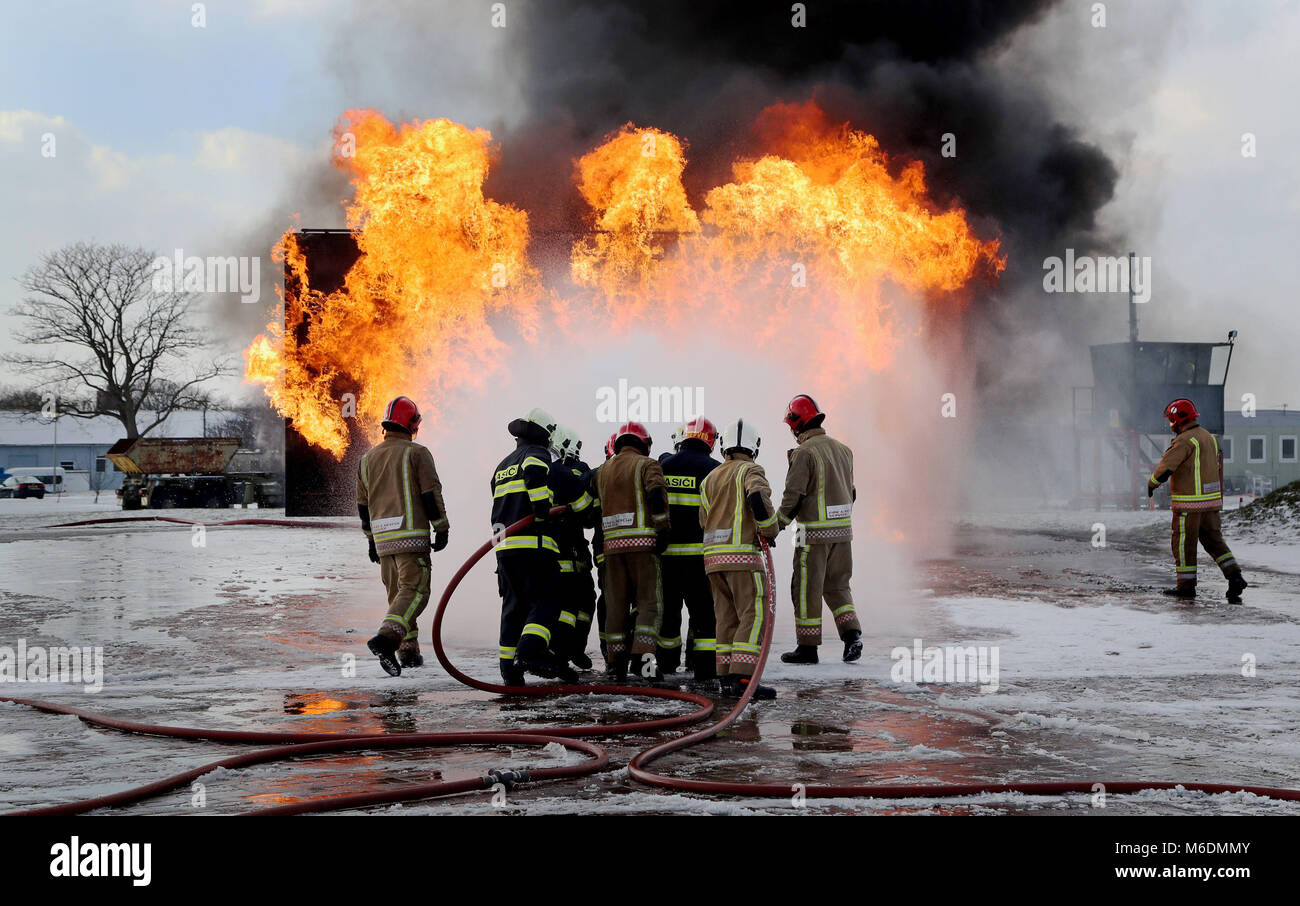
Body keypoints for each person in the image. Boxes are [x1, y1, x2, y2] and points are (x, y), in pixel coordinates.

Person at [358, 396, 450, 677]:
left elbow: (363, 505)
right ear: (411, 425)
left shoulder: (366, 459)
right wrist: (442, 526)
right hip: (411, 538)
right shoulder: (417, 453)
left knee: (398, 594)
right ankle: (386, 639)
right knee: (416, 591)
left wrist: (371, 539)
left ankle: (408, 651)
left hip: (383, 541)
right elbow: (429, 494)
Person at [490, 408, 577, 684]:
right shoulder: (536, 455)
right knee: (549, 598)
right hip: (535, 544)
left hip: (505, 548)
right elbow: (535, 473)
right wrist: (541, 511)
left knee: (513, 607)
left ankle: (509, 670)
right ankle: (531, 652)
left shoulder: (503, 464)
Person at [776, 395, 863, 665]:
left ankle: (808, 647)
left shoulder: (804, 453)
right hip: (843, 534)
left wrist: (775, 525)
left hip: (811, 535)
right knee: (838, 586)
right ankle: (852, 636)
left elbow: (794, 495)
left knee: (805, 588)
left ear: (797, 423)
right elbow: (852, 492)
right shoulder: (843, 450)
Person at [698, 418, 779, 699]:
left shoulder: (710, 478)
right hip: (743, 558)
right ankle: (744, 678)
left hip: (713, 561)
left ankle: (726, 679)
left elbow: (704, 519)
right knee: (753, 614)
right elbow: (758, 498)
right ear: (754, 447)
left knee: (725, 618)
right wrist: (770, 529)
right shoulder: (751, 470)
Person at [1148, 398, 1248, 603]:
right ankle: (1235, 576)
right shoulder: (1208, 437)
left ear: (1178, 419)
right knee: (1214, 542)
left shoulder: (1184, 440)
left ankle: (1186, 587)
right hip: (1210, 504)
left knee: (1184, 545)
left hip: (1189, 505)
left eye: (1171, 420)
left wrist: (1152, 483)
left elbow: (1167, 467)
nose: (1170, 425)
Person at [593, 421, 670, 680]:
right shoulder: (647, 465)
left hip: (612, 548)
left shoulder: (602, 470)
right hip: (643, 546)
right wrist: (662, 529)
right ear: (644, 444)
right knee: (649, 604)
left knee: (615, 607)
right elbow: (656, 493)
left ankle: (615, 665)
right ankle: (644, 662)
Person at [655, 417, 721, 679]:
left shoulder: (663, 466)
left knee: (668, 615)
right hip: (700, 559)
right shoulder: (714, 470)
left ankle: (666, 664)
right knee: (704, 615)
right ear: (711, 441)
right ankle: (703, 668)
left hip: (667, 558)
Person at [548, 425, 599, 670]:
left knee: (577, 603)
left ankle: (569, 649)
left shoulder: (541, 470)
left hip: (554, 550)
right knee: (575, 604)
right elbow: (589, 515)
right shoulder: (576, 472)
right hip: (569, 550)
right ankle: (566, 650)